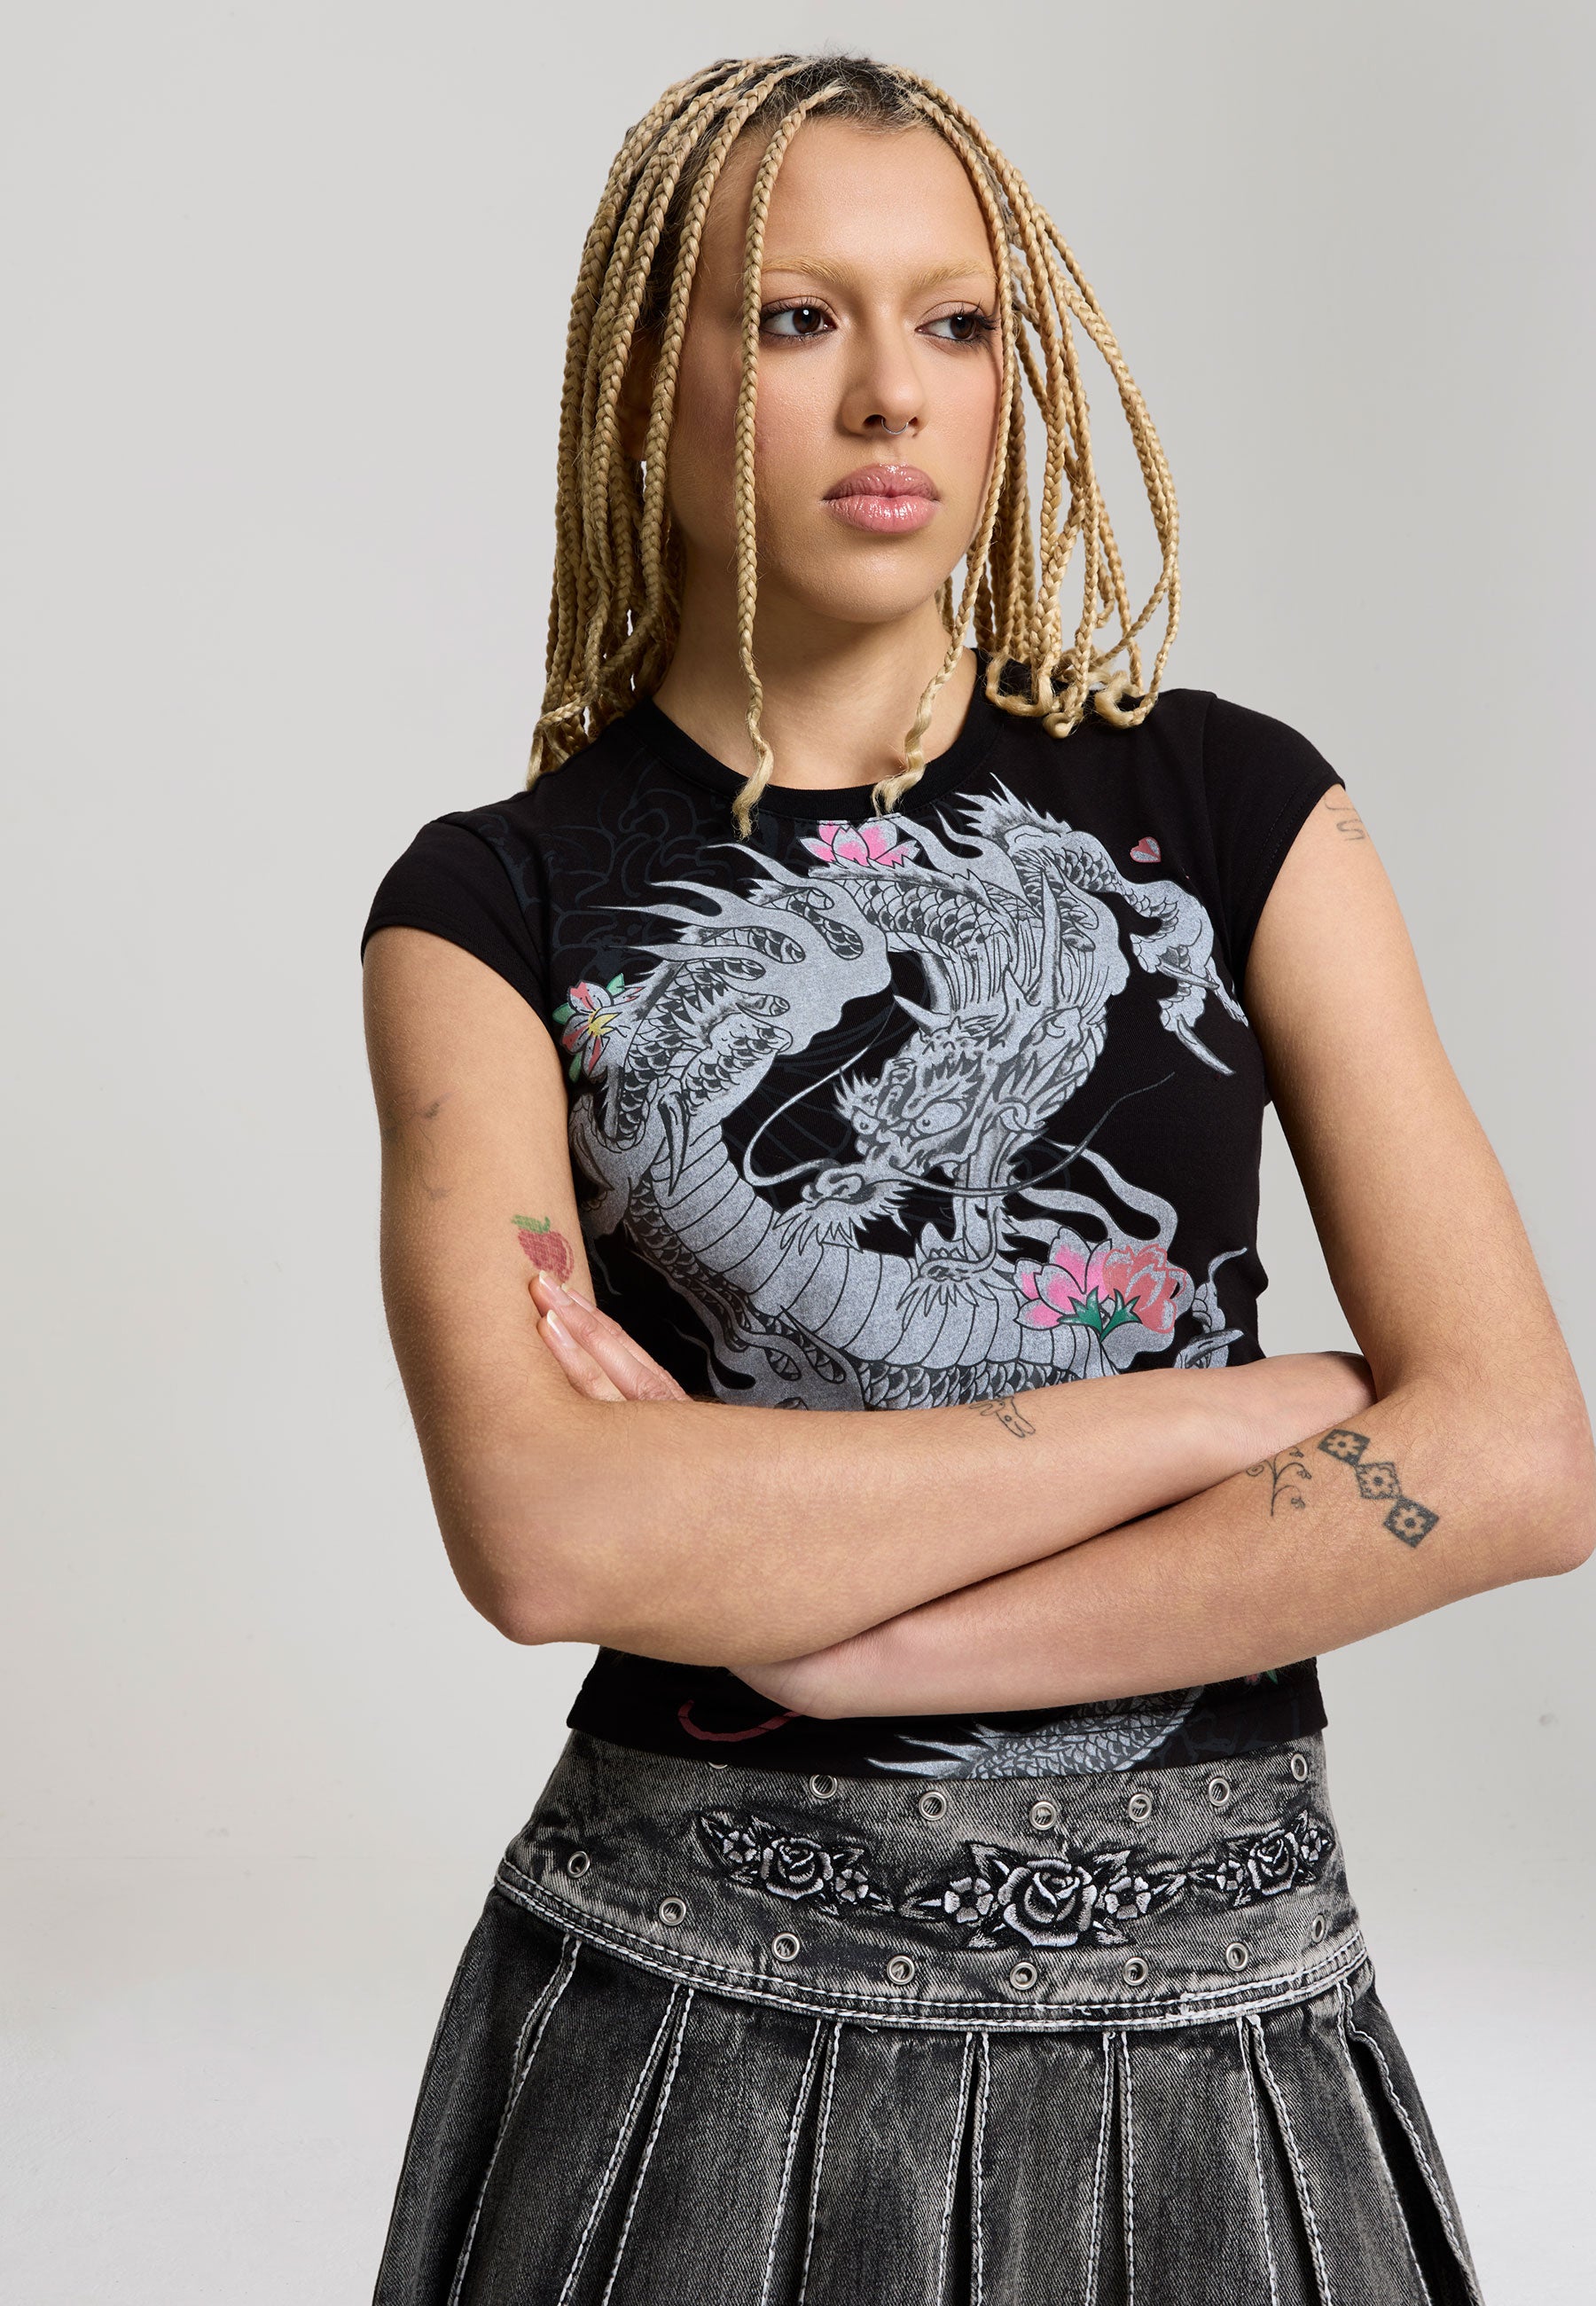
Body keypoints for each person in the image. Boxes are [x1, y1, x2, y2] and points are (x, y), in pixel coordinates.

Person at [358, 52, 1592, 2305]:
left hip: (1216, 2032)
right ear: (648, 384)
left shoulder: (1239, 814)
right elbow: (544, 1532)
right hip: (690, 2030)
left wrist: (852, 1636)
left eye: (954, 322)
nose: (889, 395)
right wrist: (1239, 1410)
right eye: (796, 317)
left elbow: (1514, 1459)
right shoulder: (488, 908)